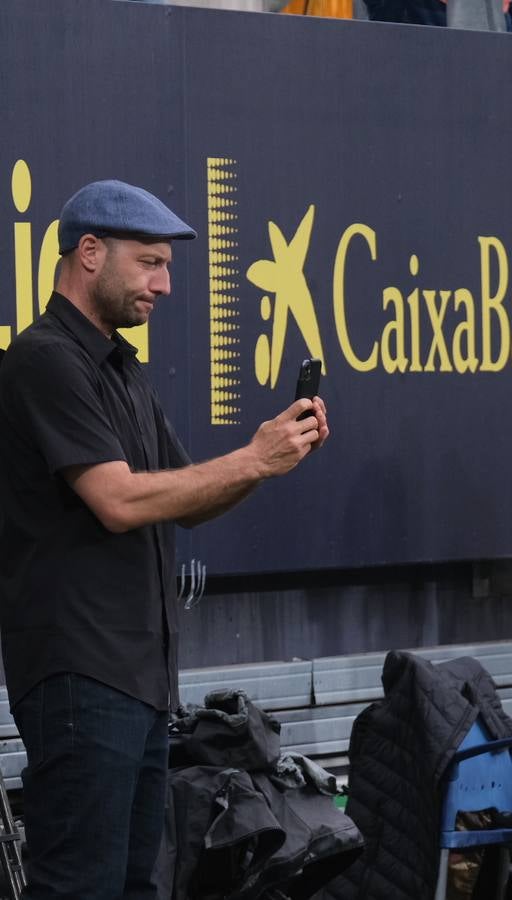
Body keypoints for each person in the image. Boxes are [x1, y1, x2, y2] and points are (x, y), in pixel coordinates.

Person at [0, 180, 331, 900]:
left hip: (140, 684)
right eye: (150, 263)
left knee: (137, 886)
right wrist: (253, 458)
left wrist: (272, 456)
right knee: (79, 887)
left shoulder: (121, 367)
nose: (166, 284)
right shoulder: (44, 359)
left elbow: (188, 499)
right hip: (81, 676)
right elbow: (117, 501)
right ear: (90, 254)